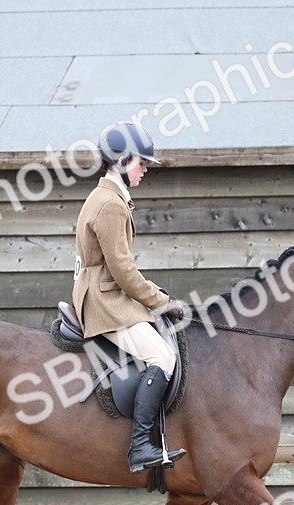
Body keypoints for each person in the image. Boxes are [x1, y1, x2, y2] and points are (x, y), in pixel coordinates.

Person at [72, 121, 187, 473]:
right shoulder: (110, 205)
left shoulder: (109, 198)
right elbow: (122, 271)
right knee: (163, 357)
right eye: (142, 163)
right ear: (121, 161)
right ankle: (139, 447)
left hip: (108, 292)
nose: (146, 170)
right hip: (105, 301)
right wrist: (161, 301)